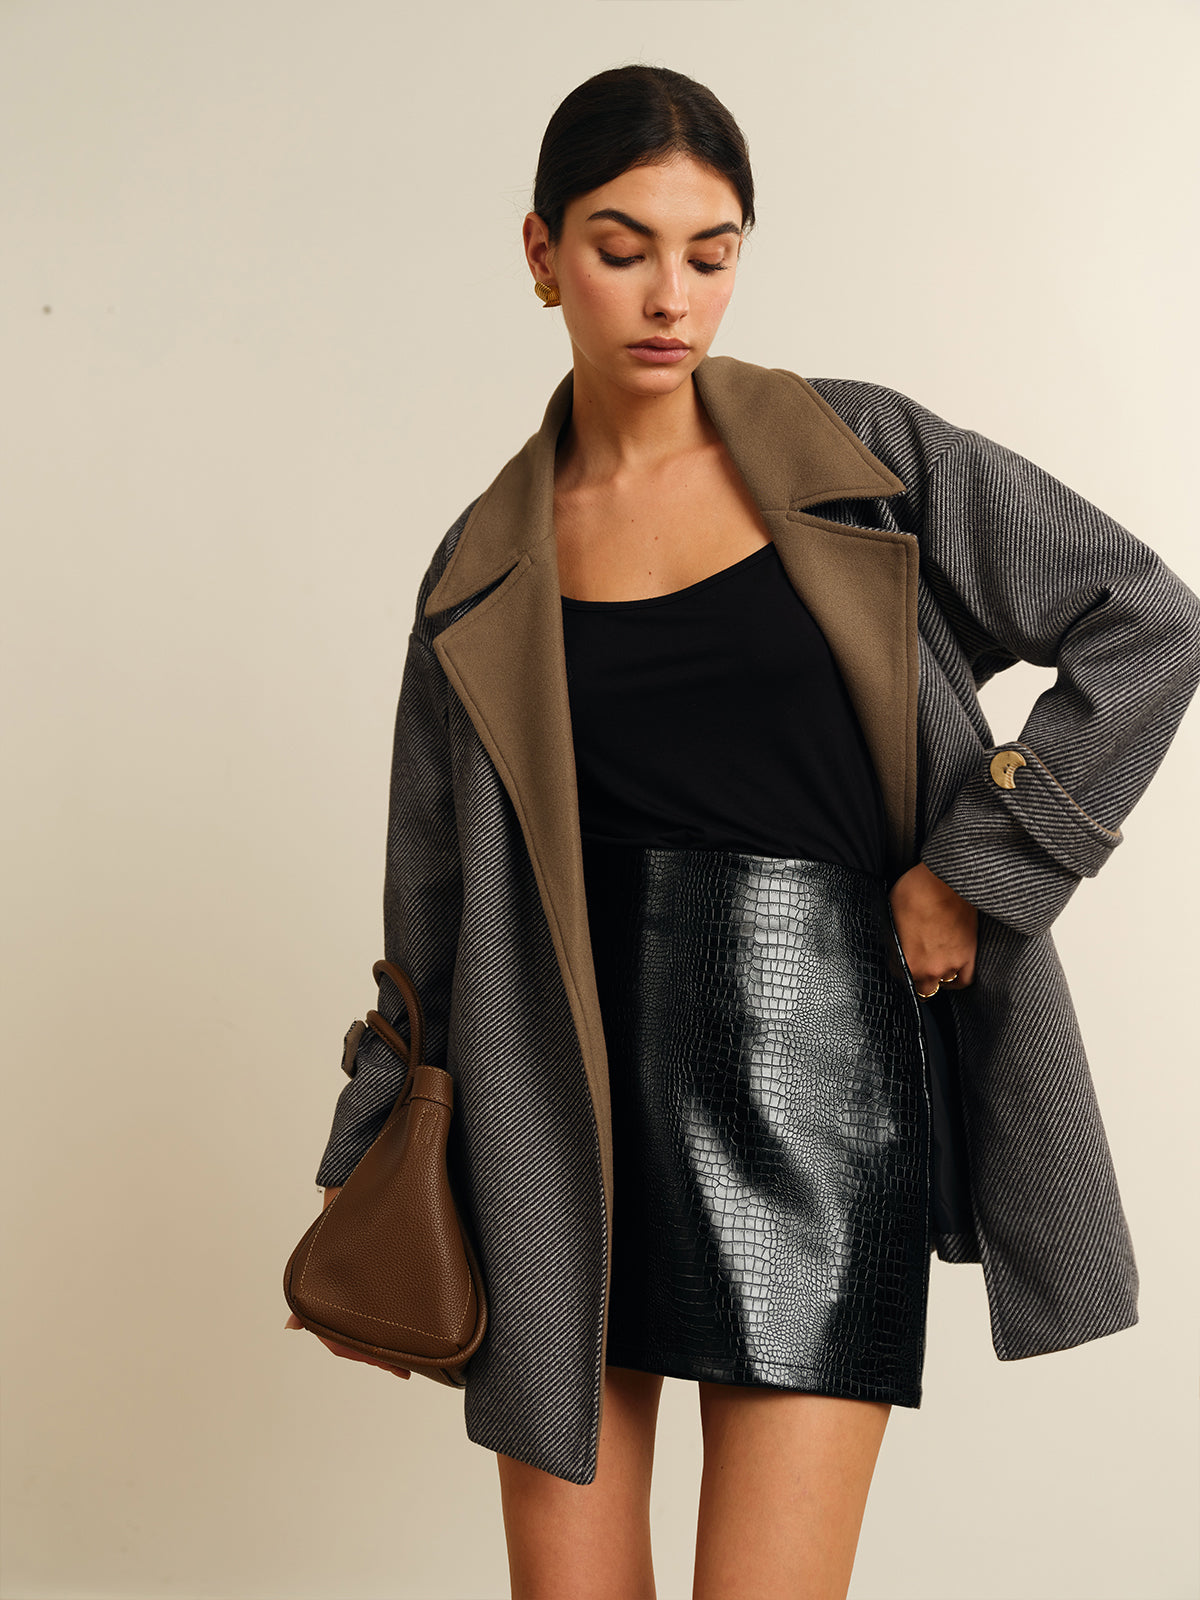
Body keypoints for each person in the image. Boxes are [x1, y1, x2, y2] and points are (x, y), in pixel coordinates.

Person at [286, 65, 1200, 1600]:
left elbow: (1148, 620)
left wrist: (974, 875)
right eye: (621, 247)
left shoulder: (867, 456)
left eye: (710, 254)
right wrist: (377, 1146)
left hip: (821, 1080)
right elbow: (431, 899)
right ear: (540, 254)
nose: (671, 296)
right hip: (551, 1100)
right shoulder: (480, 562)